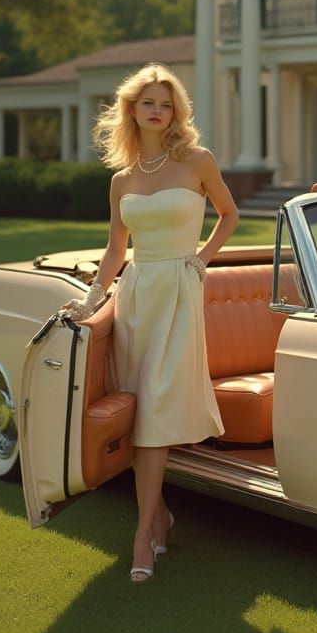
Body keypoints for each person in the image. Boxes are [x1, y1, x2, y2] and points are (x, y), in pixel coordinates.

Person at [63, 62, 238, 583]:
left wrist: (202, 259)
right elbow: (117, 248)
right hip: (137, 293)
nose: (158, 111)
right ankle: (158, 516)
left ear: (175, 111)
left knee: (158, 405)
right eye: (149, 103)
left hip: (179, 294)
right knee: (141, 411)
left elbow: (228, 214)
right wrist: (93, 299)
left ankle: (142, 534)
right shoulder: (121, 180)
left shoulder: (198, 161)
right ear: (132, 110)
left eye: (166, 103)